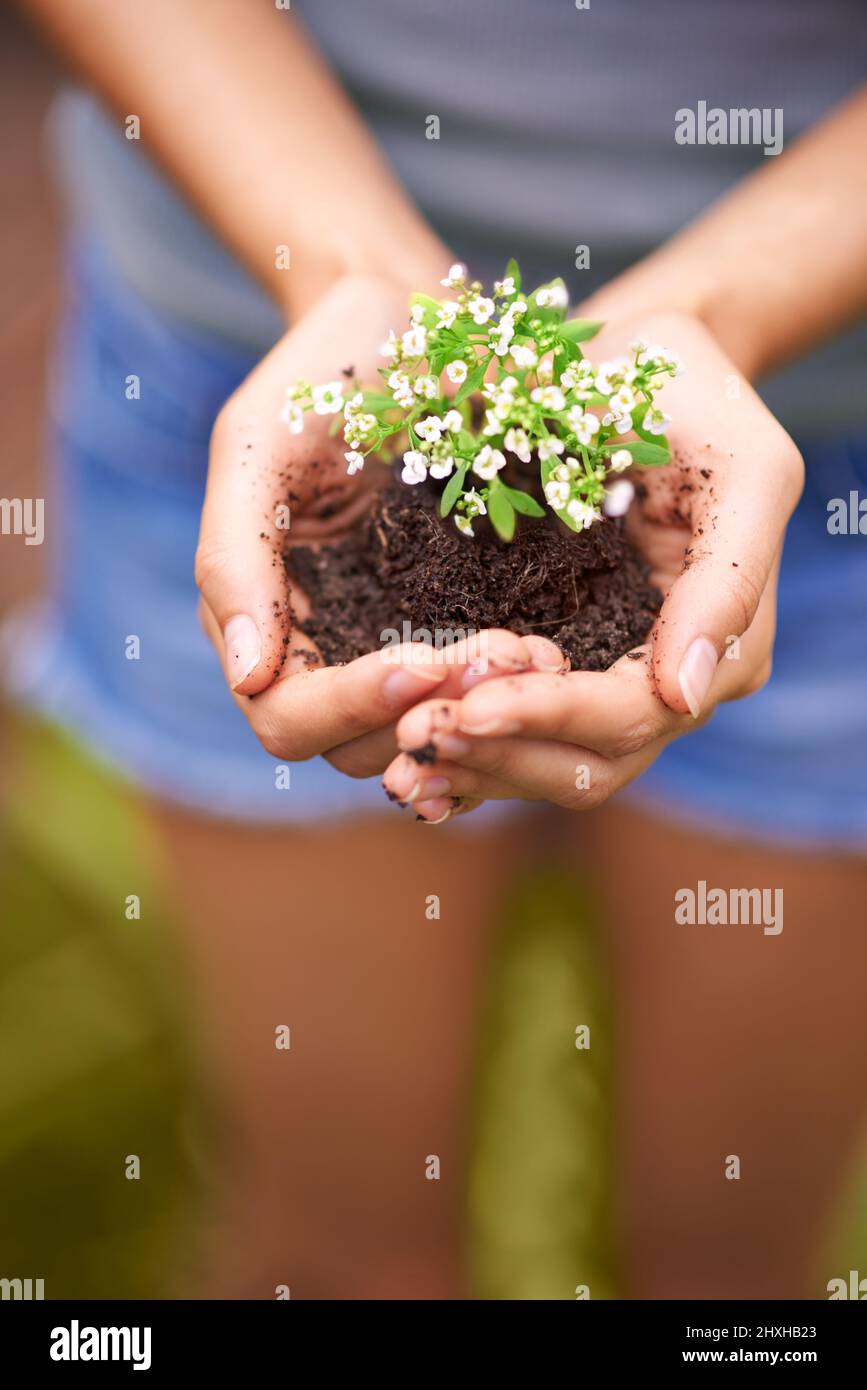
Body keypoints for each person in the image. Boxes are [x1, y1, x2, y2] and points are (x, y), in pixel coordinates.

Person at [11, 0, 867, 1297]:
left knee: (734, 1283)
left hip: (834, 452)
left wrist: (726, 304)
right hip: (271, 400)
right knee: (335, 1258)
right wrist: (350, 271)